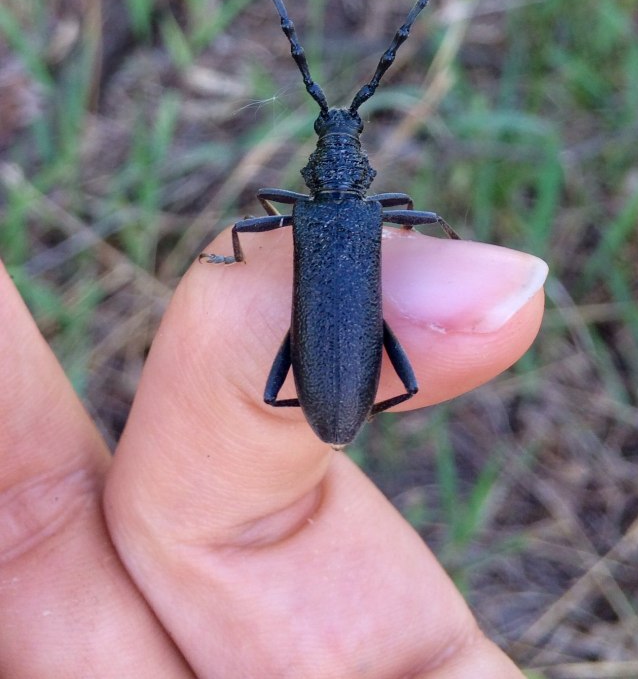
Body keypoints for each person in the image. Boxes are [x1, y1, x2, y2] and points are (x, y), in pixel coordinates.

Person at [0, 224, 547, 676]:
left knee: (275, 384)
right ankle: (341, 417)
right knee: (334, 382)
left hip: (329, 374)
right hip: (344, 377)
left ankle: (331, 417)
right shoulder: (365, 217)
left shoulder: (307, 220)